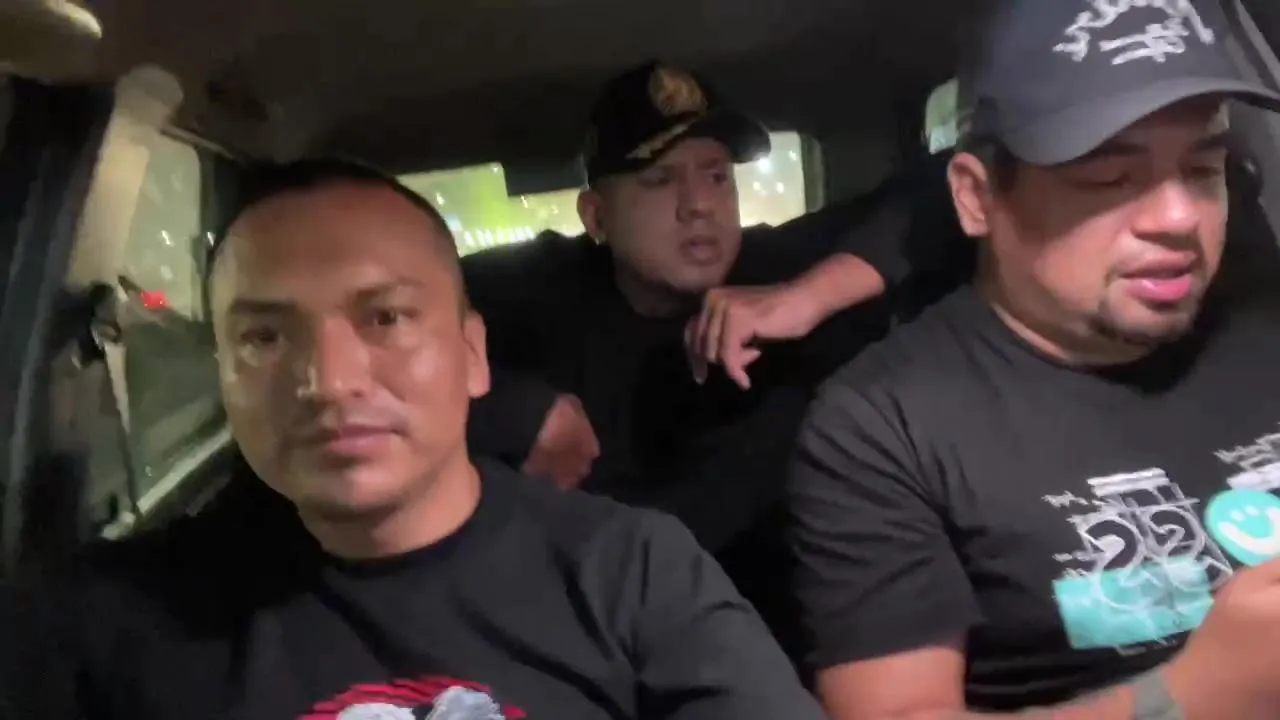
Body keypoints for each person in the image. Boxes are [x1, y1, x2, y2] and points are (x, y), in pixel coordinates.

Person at [3, 160, 826, 719]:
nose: (329, 380)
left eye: (386, 318)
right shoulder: (107, 620)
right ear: (220, 372)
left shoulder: (633, 573)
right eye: (264, 338)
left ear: (473, 355)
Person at [788, 0, 1280, 717]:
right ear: (978, 198)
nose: (1179, 218)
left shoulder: (1265, 328)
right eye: (1109, 179)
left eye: (1204, 171)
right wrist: (1190, 697)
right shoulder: (881, 429)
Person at [462, 61, 957, 661]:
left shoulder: (781, 268)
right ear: (597, 217)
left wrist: (808, 298)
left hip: (782, 645)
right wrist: (514, 409)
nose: (699, 204)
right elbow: (386, 310)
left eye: (718, 176)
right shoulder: (535, 294)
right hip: (600, 642)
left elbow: (953, 185)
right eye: (659, 179)